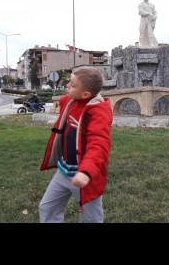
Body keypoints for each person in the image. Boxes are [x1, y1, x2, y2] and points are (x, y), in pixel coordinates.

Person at [39, 67, 113, 223]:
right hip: (64, 170)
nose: (67, 86)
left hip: (86, 177)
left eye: (72, 85)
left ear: (85, 94)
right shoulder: (70, 101)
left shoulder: (98, 114)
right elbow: (64, 99)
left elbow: (99, 145)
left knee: (92, 218)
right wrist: (67, 95)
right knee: (47, 207)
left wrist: (86, 172)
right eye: (68, 82)